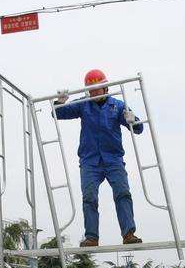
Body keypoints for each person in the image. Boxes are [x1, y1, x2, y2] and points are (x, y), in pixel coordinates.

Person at [54, 69, 144, 247]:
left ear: (105, 88)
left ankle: (128, 234)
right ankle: (91, 237)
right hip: (90, 161)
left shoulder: (117, 106)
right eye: (91, 90)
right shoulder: (83, 104)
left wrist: (133, 120)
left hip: (113, 159)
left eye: (97, 89)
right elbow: (58, 113)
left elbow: (139, 129)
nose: (94, 93)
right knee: (89, 197)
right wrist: (60, 102)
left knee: (123, 193)